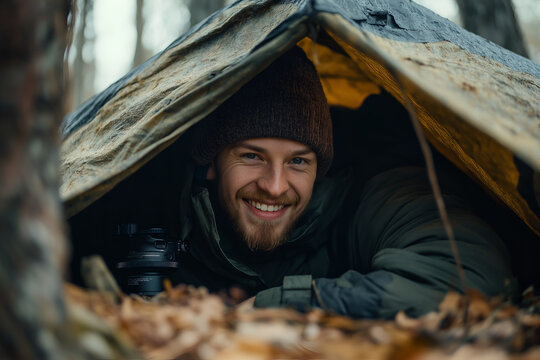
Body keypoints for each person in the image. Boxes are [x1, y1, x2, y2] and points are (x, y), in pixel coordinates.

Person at [70, 46, 514, 319]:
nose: (275, 185)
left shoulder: (372, 193)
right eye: (252, 157)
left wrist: (272, 309)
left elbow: (468, 273)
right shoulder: (147, 193)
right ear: (210, 163)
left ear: (321, 167)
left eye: (299, 161)